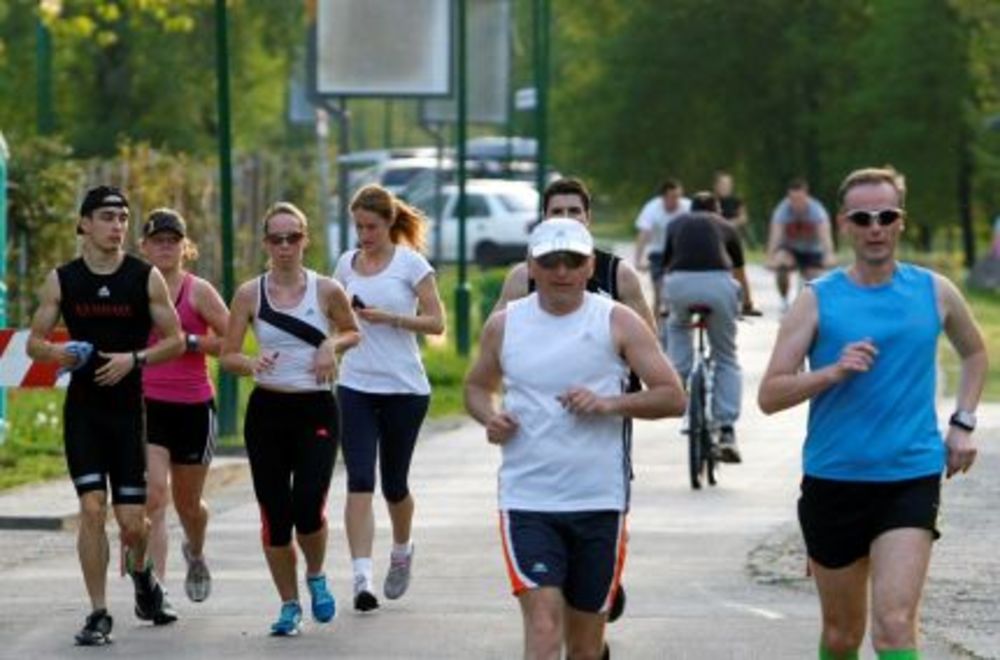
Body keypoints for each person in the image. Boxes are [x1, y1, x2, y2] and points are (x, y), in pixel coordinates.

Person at [758, 167, 987, 660]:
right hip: (834, 478)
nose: (875, 226)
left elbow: (975, 353)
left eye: (886, 215)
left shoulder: (934, 291)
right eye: (863, 218)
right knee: (842, 635)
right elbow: (770, 395)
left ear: (901, 220)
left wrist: (964, 423)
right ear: (844, 224)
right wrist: (831, 374)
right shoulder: (816, 300)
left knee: (895, 627)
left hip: (910, 474)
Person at [465, 218, 686, 660]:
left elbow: (673, 397)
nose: (561, 271)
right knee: (544, 626)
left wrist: (610, 404)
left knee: (585, 648)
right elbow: (475, 386)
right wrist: (491, 417)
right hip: (528, 500)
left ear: (590, 267)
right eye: (550, 260)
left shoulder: (617, 321)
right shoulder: (506, 325)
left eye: (572, 261)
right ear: (532, 266)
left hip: (599, 500)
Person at [26, 185, 185, 645]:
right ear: (84, 224)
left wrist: (133, 360)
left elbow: (174, 340)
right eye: (107, 216)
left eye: (123, 217)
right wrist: (58, 353)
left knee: (133, 523)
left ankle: (143, 575)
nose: (117, 226)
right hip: (83, 412)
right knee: (92, 508)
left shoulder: (145, 277)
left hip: (127, 415)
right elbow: (36, 341)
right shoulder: (63, 279)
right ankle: (98, 613)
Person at [492, 176, 655, 623]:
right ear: (543, 220)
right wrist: (496, 411)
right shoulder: (521, 277)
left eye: (573, 213)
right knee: (546, 612)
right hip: (535, 443)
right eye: (556, 213)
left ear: (588, 218)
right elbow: (492, 353)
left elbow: (651, 357)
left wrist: (608, 389)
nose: (565, 220)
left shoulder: (616, 274)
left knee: (597, 531)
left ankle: (598, 586)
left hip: (601, 437)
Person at [220, 201, 360, 636]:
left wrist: (329, 346)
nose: (285, 246)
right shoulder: (249, 293)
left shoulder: (327, 290)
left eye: (293, 237)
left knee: (308, 506)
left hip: (315, 408)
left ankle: (316, 575)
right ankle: (288, 604)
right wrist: (251, 363)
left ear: (305, 240)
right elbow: (227, 355)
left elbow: (353, 330)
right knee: (275, 515)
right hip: (268, 411)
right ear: (265, 243)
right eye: (276, 238)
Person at [333, 184, 446, 613]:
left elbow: (436, 323)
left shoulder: (411, 264)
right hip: (356, 386)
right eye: (358, 226)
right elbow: (335, 318)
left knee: (394, 484)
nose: (364, 235)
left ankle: (401, 549)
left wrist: (392, 319)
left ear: (389, 223)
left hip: (405, 389)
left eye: (372, 227)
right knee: (359, 478)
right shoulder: (345, 264)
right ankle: (362, 577)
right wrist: (335, 341)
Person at [138, 209, 230, 605]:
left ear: (184, 246)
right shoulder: (134, 288)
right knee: (154, 496)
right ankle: (156, 590)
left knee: (188, 504)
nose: (165, 246)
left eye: (172, 240)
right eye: (157, 240)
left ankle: (194, 549)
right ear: (143, 246)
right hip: (148, 403)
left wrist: (190, 342)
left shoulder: (198, 291)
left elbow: (232, 341)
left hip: (193, 406)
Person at [661, 191, 758, 463]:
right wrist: (747, 303)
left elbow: (667, 268)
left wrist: (665, 305)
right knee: (726, 356)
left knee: (678, 327)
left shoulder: (676, 224)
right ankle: (726, 430)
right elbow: (739, 272)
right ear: (717, 210)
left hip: (680, 285)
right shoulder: (726, 226)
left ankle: (679, 385)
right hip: (718, 285)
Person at [765, 178, 836, 310]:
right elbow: (775, 235)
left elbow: (825, 235)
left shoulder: (816, 210)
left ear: (806, 196)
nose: (796, 204)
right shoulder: (782, 210)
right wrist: (770, 257)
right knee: (781, 261)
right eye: (792, 200)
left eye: (799, 199)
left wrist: (829, 254)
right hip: (790, 249)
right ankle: (784, 299)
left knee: (815, 279)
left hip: (812, 250)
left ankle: (808, 303)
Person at [633, 178, 691, 314]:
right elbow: (643, 235)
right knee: (659, 294)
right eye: (673, 197)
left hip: (681, 254)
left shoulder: (688, 207)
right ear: (663, 197)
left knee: (682, 291)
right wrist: (638, 260)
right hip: (659, 253)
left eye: (678, 196)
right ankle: (656, 331)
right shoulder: (652, 208)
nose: (677, 200)